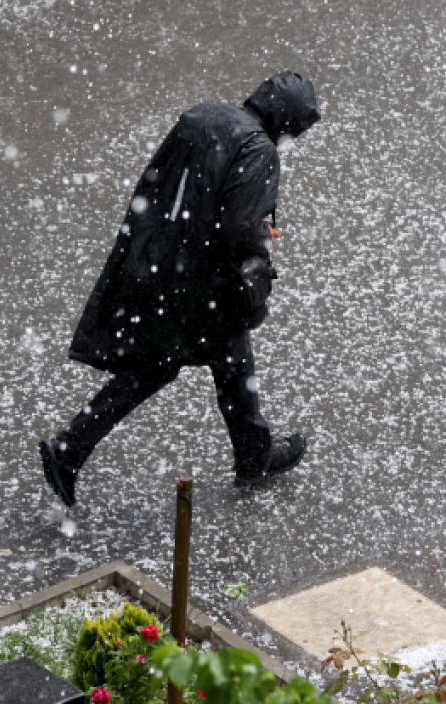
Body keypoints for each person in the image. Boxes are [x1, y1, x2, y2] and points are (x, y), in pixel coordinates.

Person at [38, 72, 320, 507]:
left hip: (163, 263)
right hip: (203, 282)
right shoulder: (258, 150)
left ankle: (73, 447)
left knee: (184, 364)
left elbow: (161, 184)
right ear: (287, 122)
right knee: (218, 361)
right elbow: (239, 227)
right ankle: (251, 457)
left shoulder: (203, 115)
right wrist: (260, 247)